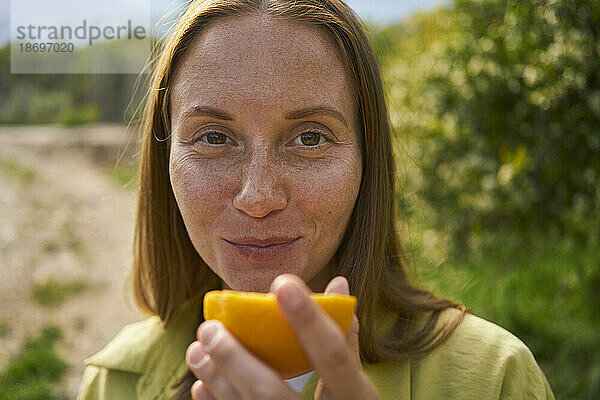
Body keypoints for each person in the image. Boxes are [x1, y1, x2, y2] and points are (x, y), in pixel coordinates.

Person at [77, 0, 555, 399]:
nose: (258, 197)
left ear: (367, 163)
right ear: (165, 163)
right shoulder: (112, 382)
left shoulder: (495, 379)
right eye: (214, 137)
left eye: (309, 138)